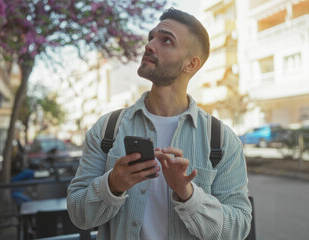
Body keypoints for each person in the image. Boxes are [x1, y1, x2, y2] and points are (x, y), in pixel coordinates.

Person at [67, 8, 252, 240]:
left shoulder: (222, 140)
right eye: (151, 37)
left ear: (191, 65)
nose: (150, 45)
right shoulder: (108, 129)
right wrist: (113, 184)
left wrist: (188, 194)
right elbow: (78, 215)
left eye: (166, 40)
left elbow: (239, 229)